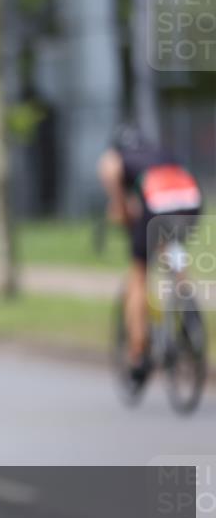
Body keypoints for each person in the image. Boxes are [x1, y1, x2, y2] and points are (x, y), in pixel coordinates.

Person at [98, 123, 203, 386]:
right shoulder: (159, 151)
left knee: (139, 274)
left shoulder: (115, 156)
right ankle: (187, 306)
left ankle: (137, 354)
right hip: (190, 199)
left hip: (157, 204)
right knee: (170, 246)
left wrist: (120, 209)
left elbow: (111, 176)